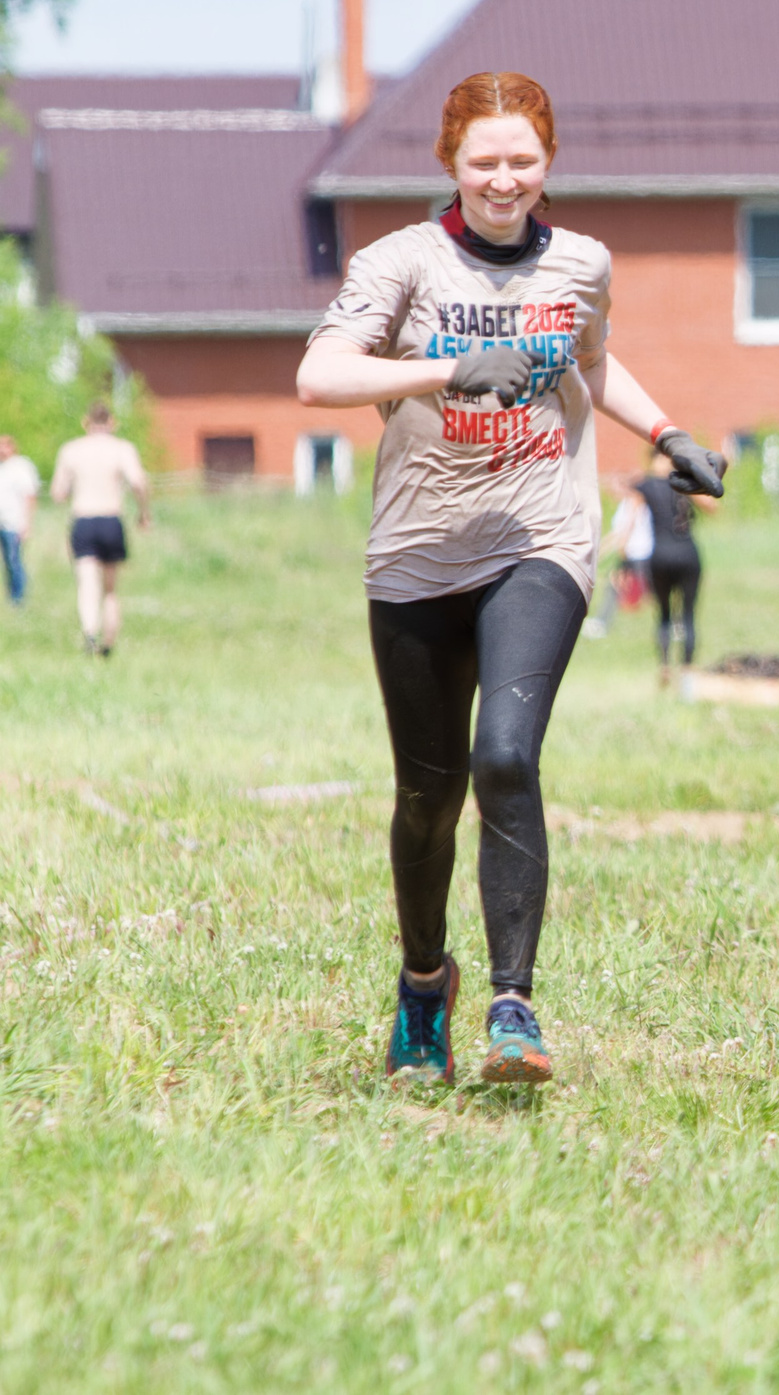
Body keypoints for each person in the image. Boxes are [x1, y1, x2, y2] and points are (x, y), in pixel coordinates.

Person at [296, 70, 726, 1088]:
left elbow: (590, 361)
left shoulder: (580, 263)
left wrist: (668, 434)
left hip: (540, 537)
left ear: (549, 163)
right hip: (417, 554)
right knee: (425, 801)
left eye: (521, 161)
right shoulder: (400, 263)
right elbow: (319, 377)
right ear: (450, 164)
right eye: (482, 162)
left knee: (505, 759)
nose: (501, 180)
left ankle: (513, 1007)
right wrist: (444, 372)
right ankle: (421, 986)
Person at [50, 403, 151, 656]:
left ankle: (89, 633)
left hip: (83, 518)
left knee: (86, 583)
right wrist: (143, 513)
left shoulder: (71, 450)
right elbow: (138, 481)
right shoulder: (122, 449)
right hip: (110, 518)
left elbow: (58, 493)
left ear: (86, 422)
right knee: (110, 590)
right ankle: (108, 644)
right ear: (112, 422)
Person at [637, 450, 713, 686]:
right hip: (688, 554)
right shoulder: (683, 484)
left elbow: (629, 516)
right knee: (688, 615)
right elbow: (711, 506)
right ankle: (688, 669)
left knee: (664, 615)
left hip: (659, 556)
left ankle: (665, 666)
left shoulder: (646, 486)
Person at [586, 471, 651, 640]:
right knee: (615, 587)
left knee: (644, 593)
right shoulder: (625, 504)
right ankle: (601, 622)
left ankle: (602, 623)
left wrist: (621, 550)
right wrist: (597, 551)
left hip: (639, 554)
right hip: (631, 554)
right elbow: (616, 533)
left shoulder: (635, 502)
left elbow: (626, 530)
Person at [0, 433, 40, 608]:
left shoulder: (21, 466)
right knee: (8, 562)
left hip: (14, 522)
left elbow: (30, 496)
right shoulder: (3, 468)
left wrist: (27, 524)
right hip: (2, 521)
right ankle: (11, 595)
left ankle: (18, 598)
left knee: (14, 559)